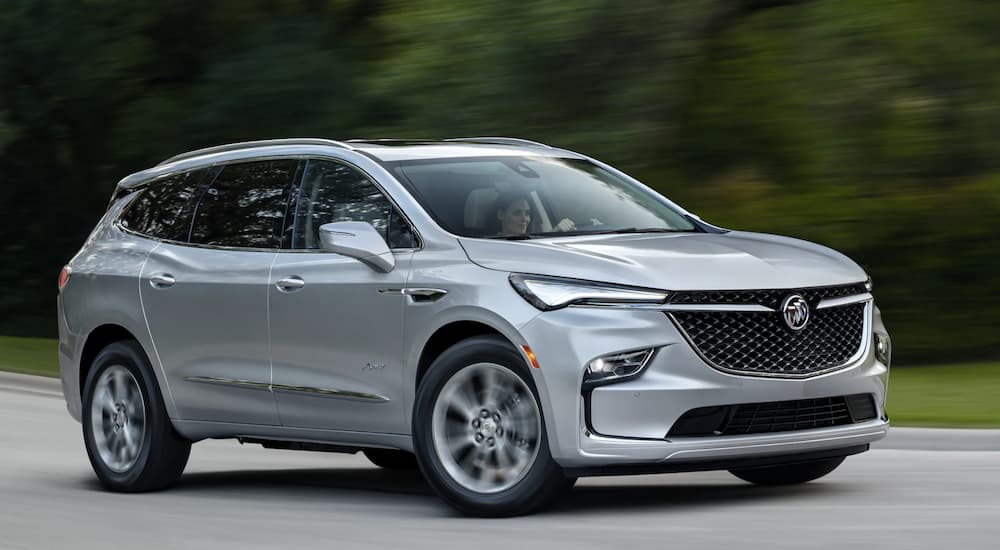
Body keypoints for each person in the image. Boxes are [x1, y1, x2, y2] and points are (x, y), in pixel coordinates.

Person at [495, 191, 575, 235]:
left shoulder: (530, 239)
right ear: (501, 215)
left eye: (527, 213)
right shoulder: (492, 244)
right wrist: (553, 233)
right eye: (517, 213)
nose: (524, 219)